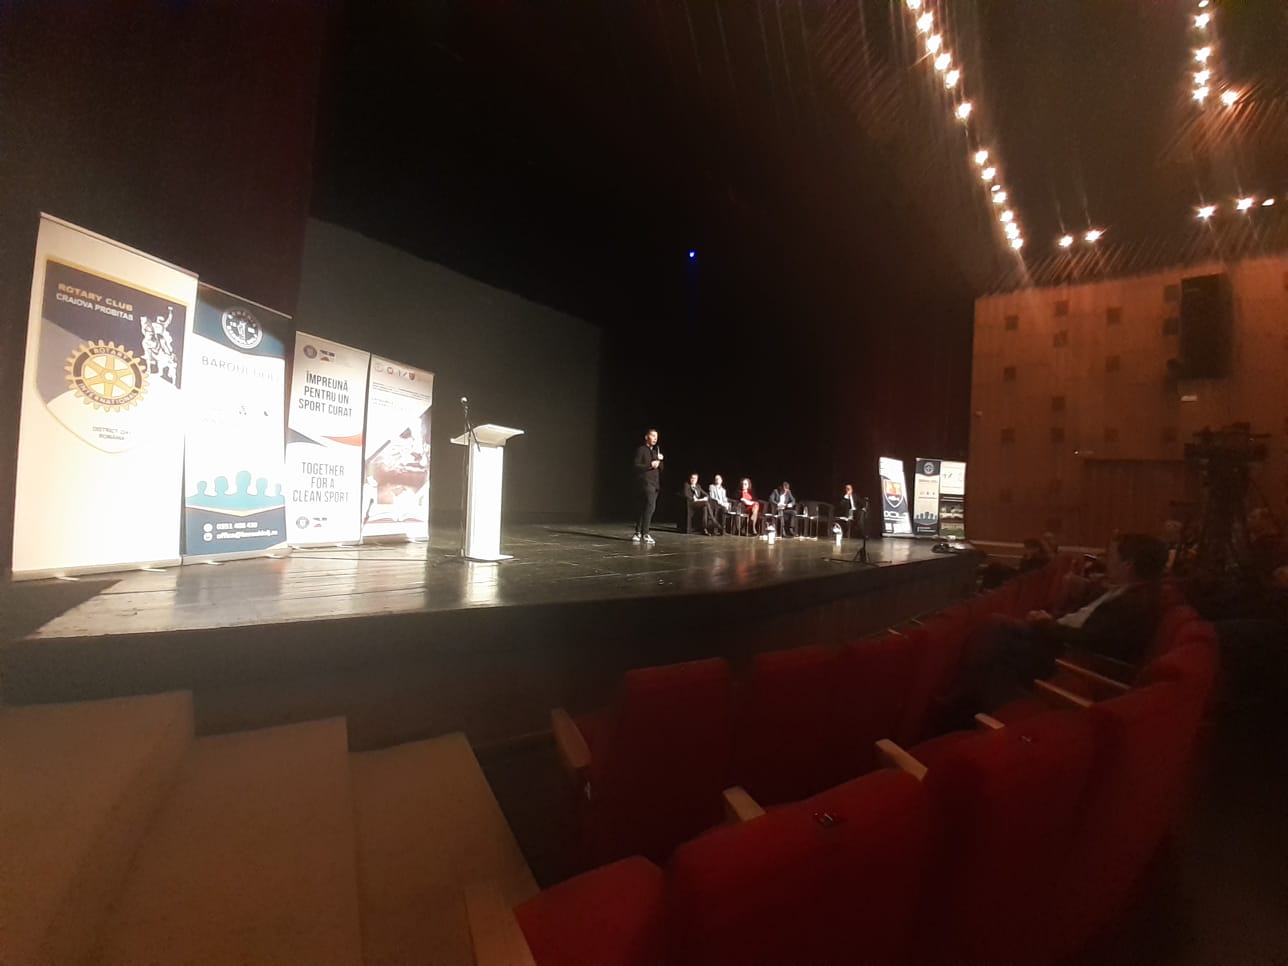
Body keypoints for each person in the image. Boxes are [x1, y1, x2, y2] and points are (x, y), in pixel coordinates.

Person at [944, 533, 1170, 727]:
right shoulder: (1128, 592)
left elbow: (1090, 640)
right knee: (992, 640)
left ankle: (975, 710)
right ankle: (970, 708)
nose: (1107, 561)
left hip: (1066, 658)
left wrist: (1047, 624)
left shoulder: (1131, 604)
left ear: (1128, 565)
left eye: (1113, 556)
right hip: (1061, 643)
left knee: (993, 631)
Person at [632, 428, 663, 544]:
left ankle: (638, 532)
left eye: (656, 437)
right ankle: (645, 533)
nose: (655, 438)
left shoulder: (655, 452)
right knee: (649, 507)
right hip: (645, 483)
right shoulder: (641, 450)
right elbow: (636, 465)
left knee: (644, 508)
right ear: (646, 437)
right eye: (653, 436)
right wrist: (650, 465)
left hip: (655, 484)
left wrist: (660, 460)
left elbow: (660, 469)